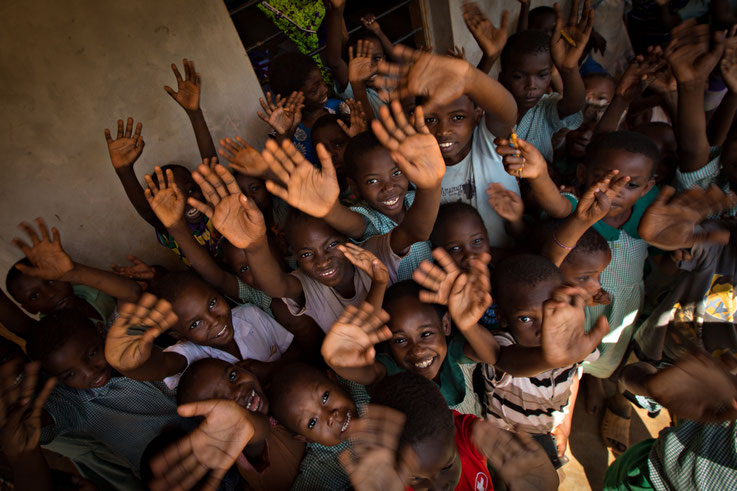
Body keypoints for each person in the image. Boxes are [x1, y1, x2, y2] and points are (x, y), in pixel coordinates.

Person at [191, 102, 445, 333]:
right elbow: (276, 286)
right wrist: (255, 246)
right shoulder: (316, 279)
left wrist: (431, 184)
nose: (322, 260)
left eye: (332, 245)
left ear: (348, 242)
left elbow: (415, 231)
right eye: (306, 254)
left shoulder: (372, 250)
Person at [373, 41, 519, 247]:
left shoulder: (488, 142)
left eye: (458, 117)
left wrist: (471, 78)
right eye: (431, 120)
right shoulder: (418, 166)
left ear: (477, 115)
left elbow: (508, 111)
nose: (443, 131)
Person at [26, 296, 186, 482]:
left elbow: (131, 296)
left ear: (101, 332)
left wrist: (146, 327)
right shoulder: (73, 402)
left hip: (213, 423)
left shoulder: (119, 335)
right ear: (55, 378)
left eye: (92, 354)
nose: (90, 372)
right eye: (70, 374)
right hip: (174, 475)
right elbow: (37, 426)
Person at [322, 248, 497, 415]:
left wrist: (469, 326)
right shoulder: (391, 370)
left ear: (445, 325)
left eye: (426, 334)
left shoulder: (452, 352)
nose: (417, 350)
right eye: (400, 340)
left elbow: (492, 356)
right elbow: (367, 373)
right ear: (388, 343)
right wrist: (338, 363)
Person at [481, 255, 604, 464]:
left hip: (548, 431)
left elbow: (573, 378)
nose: (543, 329)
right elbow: (509, 363)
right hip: (503, 444)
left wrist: (564, 424)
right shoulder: (504, 344)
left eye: (552, 312)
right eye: (526, 319)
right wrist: (551, 358)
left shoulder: (572, 342)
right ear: (502, 317)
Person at [356, 371, 559, 491]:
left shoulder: (466, 433)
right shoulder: (389, 482)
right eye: (416, 479)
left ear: (454, 429)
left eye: (446, 467)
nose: (438, 488)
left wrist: (543, 484)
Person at [104, 278, 295, 389]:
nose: (214, 321)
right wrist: (130, 367)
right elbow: (162, 366)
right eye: (195, 323)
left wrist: (271, 370)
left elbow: (296, 352)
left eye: (212, 303)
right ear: (179, 336)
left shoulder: (250, 314)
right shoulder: (192, 353)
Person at [175, 358, 305, 490]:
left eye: (232, 376)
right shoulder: (247, 443)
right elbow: (255, 428)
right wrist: (241, 419)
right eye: (222, 403)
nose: (237, 392)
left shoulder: (275, 389)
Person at [498, 0, 592, 162]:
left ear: (550, 75)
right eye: (518, 77)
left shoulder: (545, 108)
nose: (531, 86)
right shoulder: (493, 107)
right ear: (502, 78)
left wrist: (569, 69)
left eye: (542, 76)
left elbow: (574, 104)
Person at [7, 218, 141, 331]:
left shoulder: (88, 290)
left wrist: (73, 272)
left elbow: (134, 292)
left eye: (51, 280)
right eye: (34, 296)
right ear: (29, 309)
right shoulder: (55, 335)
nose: (50, 294)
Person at [267, 362, 370, 490]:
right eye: (312, 422)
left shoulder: (358, 381)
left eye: (325, 397)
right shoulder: (321, 466)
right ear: (305, 438)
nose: (330, 416)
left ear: (333, 379)